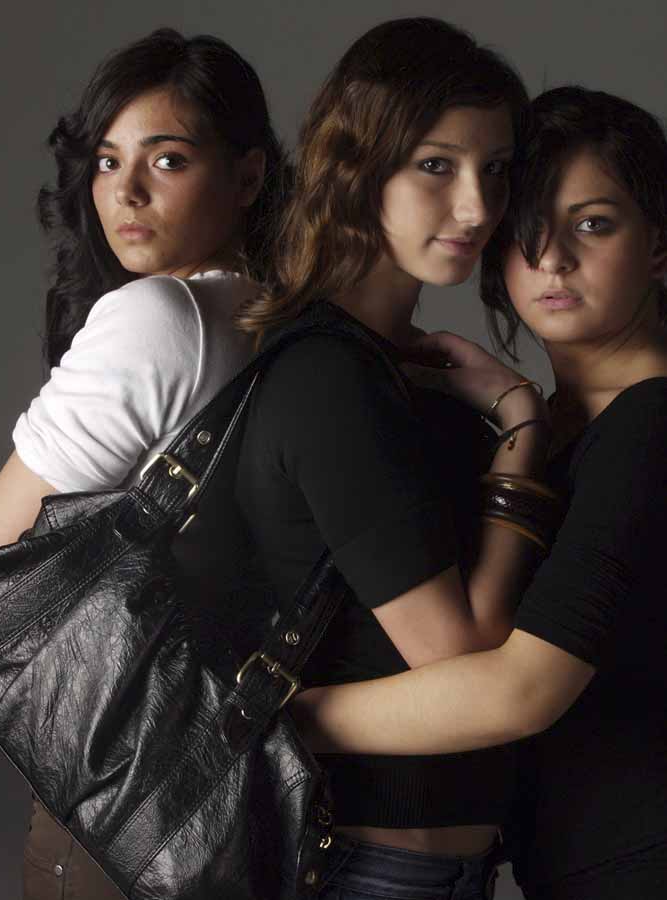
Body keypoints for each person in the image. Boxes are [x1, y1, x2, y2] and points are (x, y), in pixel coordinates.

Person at [294, 86, 667, 900]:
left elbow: (520, 691)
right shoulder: (568, 430)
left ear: (658, 246)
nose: (552, 258)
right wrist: (519, 414)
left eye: (593, 224)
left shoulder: (648, 426)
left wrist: (271, 721)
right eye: (525, 230)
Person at [233, 17, 556, 900]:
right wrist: (520, 428)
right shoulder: (329, 376)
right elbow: (458, 658)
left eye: (495, 170)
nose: (477, 208)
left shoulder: (381, 365)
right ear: (358, 166)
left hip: (422, 867)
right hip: (372, 869)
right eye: (436, 166)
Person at [0, 27, 287, 900]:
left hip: (122, 799)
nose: (123, 191)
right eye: (107, 161)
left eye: (166, 160)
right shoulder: (280, 317)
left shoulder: (157, 317)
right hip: (229, 791)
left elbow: (2, 549)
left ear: (247, 176)